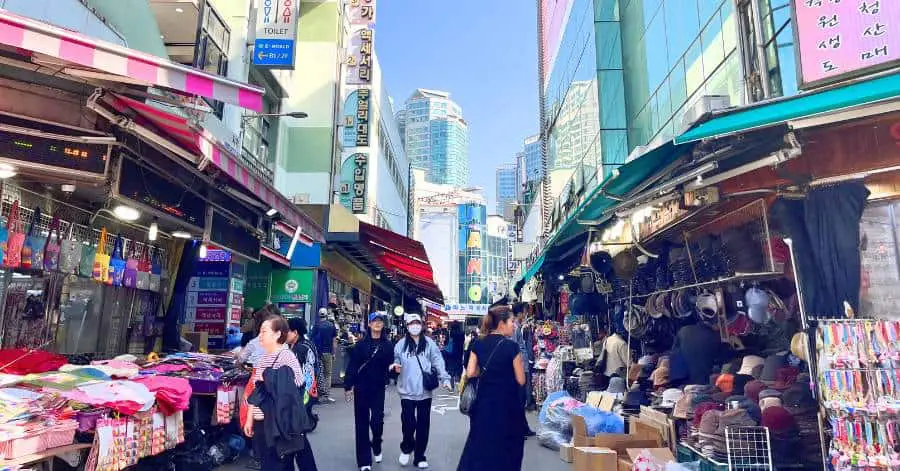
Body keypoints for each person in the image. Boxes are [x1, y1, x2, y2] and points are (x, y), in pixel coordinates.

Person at [457, 304, 527, 471]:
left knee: (480, 444)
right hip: (507, 406)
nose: (514, 325)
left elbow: (471, 372)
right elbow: (521, 379)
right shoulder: (511, 347)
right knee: (506, 447)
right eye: (511, 321)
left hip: (483, 404)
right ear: (501, 323)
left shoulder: (478, 343)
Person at [243, 315, 318, 471]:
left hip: (281, 425)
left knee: (281, 461)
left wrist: (267, 411)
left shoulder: (287, 357)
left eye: (264, 331)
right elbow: (256, 392)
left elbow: (293, 395)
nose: (260, 336)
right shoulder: (264, 357)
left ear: (277, 334)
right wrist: (250, 419)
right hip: (265, 426)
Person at [391, 313, 451, 469]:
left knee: (423, 425)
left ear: (422, 325)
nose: (415, 325)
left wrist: (445, 378)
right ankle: (406, 448)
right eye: (412, 323)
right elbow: (395, 360)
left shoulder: (429, 344)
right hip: (406, 391)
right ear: (407, 326)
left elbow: (438, 361)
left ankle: (419, 456)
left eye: (417, 322)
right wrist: (394, 367)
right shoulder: (401, 345)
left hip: (425, 391)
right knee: (408, 423)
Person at [344, 313, 395, 471]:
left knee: (377, 421)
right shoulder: (360, 345)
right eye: (374, 321)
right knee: (361, 424)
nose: (377, 324)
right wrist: (348, 386)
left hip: (378, 388)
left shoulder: (388, 346)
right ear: (370, 325)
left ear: (383, 325)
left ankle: (377, 442)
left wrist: (394, 372)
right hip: (361, 387)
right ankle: (364, 461)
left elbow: (392, 367)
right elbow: (353, 365)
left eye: (380, 321)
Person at [509, 302, 536, 437]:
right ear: (519, 313)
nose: (526, 315)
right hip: (518, 367)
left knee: (521, 398)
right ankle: (518, 429)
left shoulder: (517, 326)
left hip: (521, 365)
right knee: (519, 398)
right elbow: (514, 349)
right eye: (525, 312)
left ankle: (523, 427)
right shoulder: (513, 327)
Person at [287, 318, 319, 430]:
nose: (284, 334)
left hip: (303, 387)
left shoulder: (298, 349)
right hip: (311, 384)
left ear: (295, 332)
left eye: (287, 331)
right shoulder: (308, 343)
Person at [312, 308, 338, 403]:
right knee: (328, 374)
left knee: (319, 373)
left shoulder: (316, 326)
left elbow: (312, 339)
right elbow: (334, 341)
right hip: (327, 353)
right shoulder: (331, 326)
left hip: (317, 353)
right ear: (326, 315)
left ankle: (318, 393)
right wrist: (334, 353)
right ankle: (326, 395)